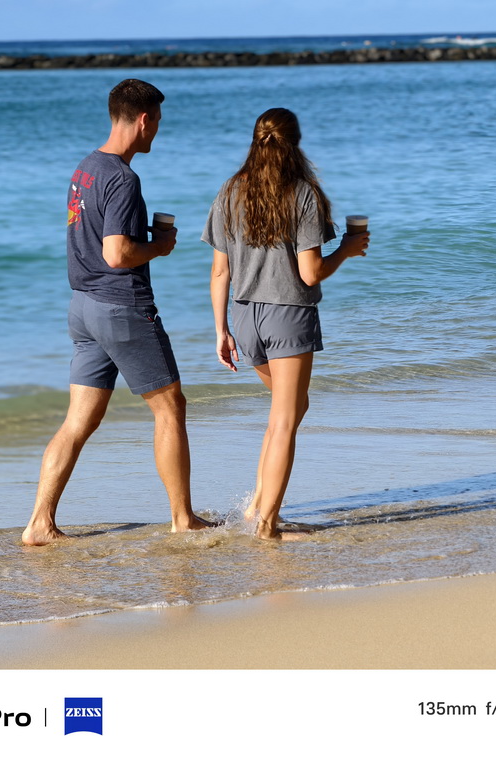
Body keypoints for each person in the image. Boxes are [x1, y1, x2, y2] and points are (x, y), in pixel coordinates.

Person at [22, 79, 212, 546]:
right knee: (171, 408)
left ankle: (39, 524)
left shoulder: (85, 169)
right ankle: (183, 518)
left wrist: (140, 243)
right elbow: (116, 253)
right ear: (143, 120)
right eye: (158, 123)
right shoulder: (123, 178)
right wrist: (160, 246)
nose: (158, 133)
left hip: (82, 307)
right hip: (120, 306)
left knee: (78, 421)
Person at [203, 108, 369, 541]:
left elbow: (220, 272)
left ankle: (258, 505)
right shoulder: (303, 194)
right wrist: (348, 250)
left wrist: (220, 329)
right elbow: (310, 272)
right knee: (284, 419)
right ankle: (267, 526)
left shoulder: (230, 191)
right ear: (295, 142)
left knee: (288, 411)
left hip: (244, 316)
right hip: (287, 314)